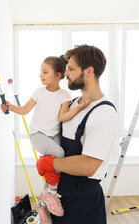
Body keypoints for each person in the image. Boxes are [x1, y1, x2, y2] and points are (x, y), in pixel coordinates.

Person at [1, 56, 91, 224]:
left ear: (58, 75)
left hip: (54, 134)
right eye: (40, 72)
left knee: (53, 164)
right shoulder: (39, 92)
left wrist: (79, 107)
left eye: (45, 72)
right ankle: (51, 194)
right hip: (38, 134)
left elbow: (63, 117)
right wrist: (10, 106)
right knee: (59, 153)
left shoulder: (64, 95)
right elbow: (25, 110)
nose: (40, 75)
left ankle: (42, 205)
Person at [36, 44, 119, 224]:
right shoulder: (72, 105)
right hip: (61, 194)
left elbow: (88, 165)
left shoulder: (103, 113)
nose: (66, 74)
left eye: (71, 69)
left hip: (83, 201)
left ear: (89, 71)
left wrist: (49, 163)